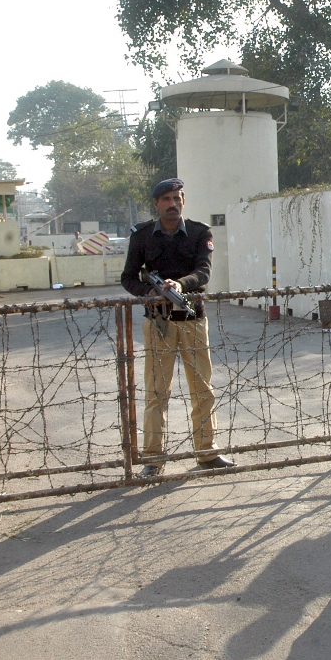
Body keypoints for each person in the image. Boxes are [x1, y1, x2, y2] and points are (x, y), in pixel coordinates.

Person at [121, 178, 234, 477]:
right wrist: (149, 293)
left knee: (202, 389)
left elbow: (204, 271)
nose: (173, 204)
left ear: (183, 201)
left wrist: (179, 285)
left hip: (193, 319)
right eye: (166, 199)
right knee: (157, 392)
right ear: (156, 204)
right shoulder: (142, 236)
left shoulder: (199, 232)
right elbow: (129, 277)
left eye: (177, 198)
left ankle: (207, 453)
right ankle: (153, 458)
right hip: (158, 322)